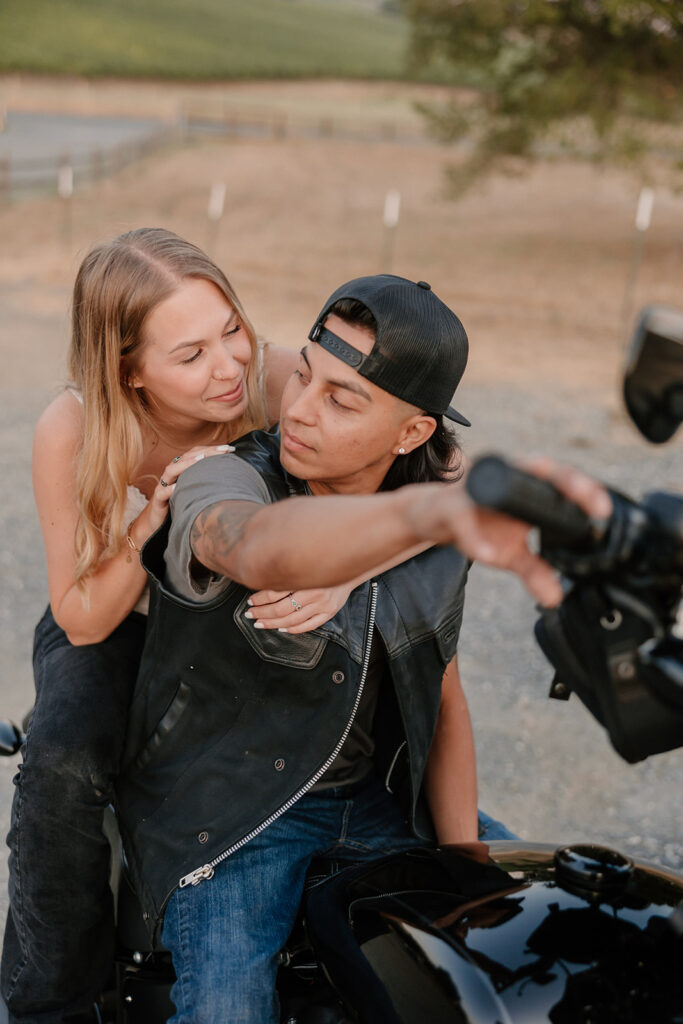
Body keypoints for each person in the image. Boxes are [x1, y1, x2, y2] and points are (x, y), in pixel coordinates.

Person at [116, 274, 527, 1023]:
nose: (299, 410)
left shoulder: (431, 523)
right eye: (303, 374)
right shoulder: (225, 476)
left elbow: (442, 694)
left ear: (411, 434)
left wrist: (465, 864)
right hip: (231, 817)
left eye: (342, 399)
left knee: (536, 947)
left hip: (377, 803)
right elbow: (247, 543)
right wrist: (379, 538)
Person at [1, 227, 358, 1024]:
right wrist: (149, 520)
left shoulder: (272, 379)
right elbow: (80, 616)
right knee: (60, 766)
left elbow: (439, 459)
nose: (227, 365)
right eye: (190, 355)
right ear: (128, 369)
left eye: (230, 328)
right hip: (117, 615)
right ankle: (49, 1003)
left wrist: (351, 562)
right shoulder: (74, 429)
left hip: (232, 610)